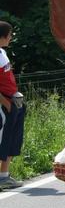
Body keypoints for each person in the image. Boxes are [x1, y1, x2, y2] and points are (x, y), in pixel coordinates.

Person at [0, 21, 25, 190]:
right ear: (3, 36)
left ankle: (4, 176)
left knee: (12, 138)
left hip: (13, 100)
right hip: (5, 103)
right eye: (10, 35)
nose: (11, 38)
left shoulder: (2, 52)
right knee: (2, 139)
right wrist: (5, 102)